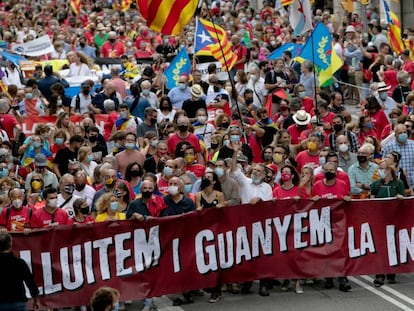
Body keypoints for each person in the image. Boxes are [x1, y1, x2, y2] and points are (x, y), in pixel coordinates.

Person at [370, 159, 405, 286]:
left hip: (394, 220)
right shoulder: (376, 185)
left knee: (393, 246)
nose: (381, 171)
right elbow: (371, 202)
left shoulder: (398, 184)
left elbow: (405, 201)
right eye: (380, 168)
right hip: (380, 220)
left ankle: (391, 272)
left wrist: (401, 198)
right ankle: (380, 275)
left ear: (390, 170)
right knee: (380, 247)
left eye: (383, 169)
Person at [0, 232, 40, 311]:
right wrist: (36, 299)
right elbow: (30, 282)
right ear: (10, 244)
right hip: (18, 303)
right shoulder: (19, 263)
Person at [382, 124, 414, 189]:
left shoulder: (413, 145)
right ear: (395, 135)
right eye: (400, 133)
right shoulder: (388, 147)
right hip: (396, 185)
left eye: (404, 132)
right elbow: (384, 166)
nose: (403, 134)